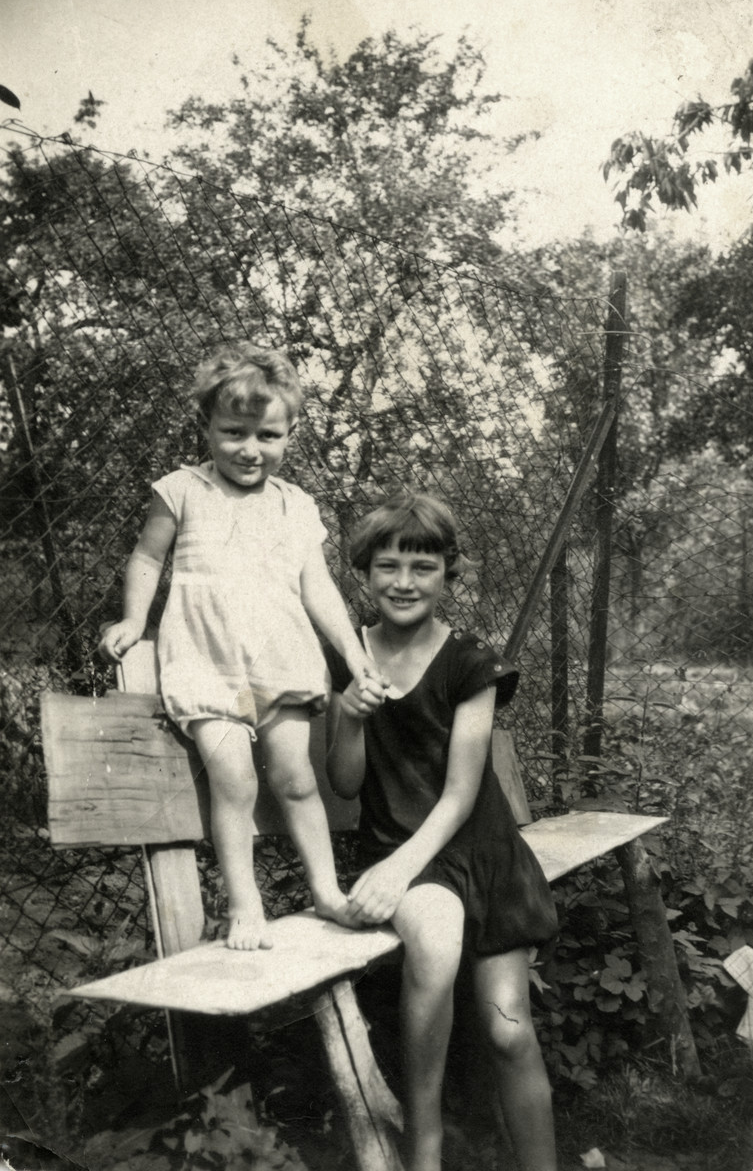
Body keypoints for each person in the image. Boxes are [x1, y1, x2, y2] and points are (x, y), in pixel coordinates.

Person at [98, 343, 385, 951]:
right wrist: (132, 620)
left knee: (296, 777)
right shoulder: (181, 490)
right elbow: (148, 557)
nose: (250, 449)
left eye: (268, 435)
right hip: (206, 660)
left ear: (290, 434)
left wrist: (354, 654)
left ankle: (328, 891)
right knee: (233, 782)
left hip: (280, 658)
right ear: (206, 426)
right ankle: (244, 905)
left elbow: (319, 587)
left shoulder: (295, 505)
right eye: (233, 432)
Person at [324, 491, 559, 1171]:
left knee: (507, 1030)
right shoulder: (351, 654)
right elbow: (343, 782)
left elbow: (460, 794)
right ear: (363, 574)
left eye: (422, 567)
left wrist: (396, 870)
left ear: (447, 575)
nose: (403, 582)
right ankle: (422, 1155)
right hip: (408, 860)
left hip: (479, 854)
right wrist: (349, 712)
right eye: (387, 566)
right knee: (434, 941)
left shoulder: (470, 662)